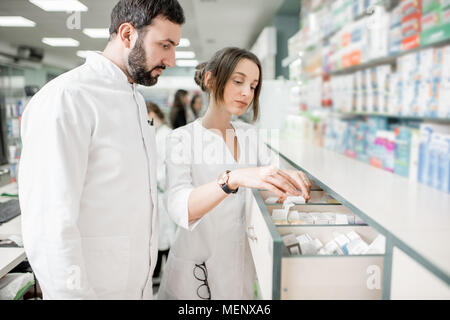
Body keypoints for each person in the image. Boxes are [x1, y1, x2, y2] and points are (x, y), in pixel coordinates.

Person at [18, 0, 185, 299]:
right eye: (165, 45)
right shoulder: (67, 98)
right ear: (127, 34)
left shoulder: (132, 98)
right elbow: (49, 227)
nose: (170, 59)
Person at [157, 47, 312, 300]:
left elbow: (274, 169)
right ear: (211, 80)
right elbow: (179, 207)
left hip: (240, 271)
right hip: (196, 274)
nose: (246, 93)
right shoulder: (181, 139)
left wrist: (291, 175)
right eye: (238, 81)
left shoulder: (249, 134)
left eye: (253, 86)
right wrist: (232, 179)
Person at [145, 101, 176, 283]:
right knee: (161, 234)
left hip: (163, 191)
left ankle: (162, 272)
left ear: (151, 113)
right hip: (158, 191)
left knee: (165, 234)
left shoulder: (166, 135)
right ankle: (159, 272)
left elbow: (165, 167)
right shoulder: (157, 133)